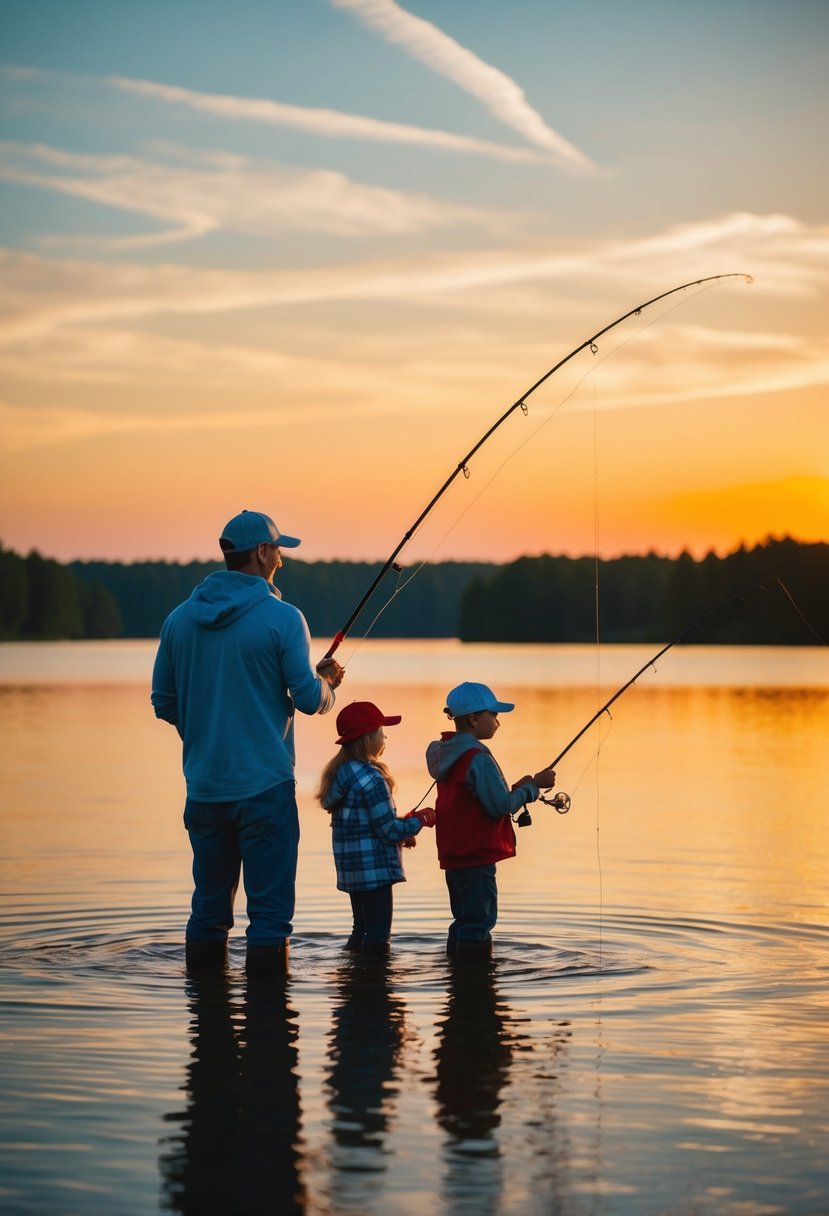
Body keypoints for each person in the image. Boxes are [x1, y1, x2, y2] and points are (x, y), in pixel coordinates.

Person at [151, 509, 344, 977]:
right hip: (265, 788)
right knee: (270, 918)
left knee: (208, 912)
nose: (280, 558)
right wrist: (328, 685)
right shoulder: (284, 618)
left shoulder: (178, 620)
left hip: (204, 788)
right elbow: (305, 697)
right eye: (278, 550)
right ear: (261, 553)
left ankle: (207, 1022)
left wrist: (205, 732)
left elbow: (163, 701)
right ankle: (269, 1032)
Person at [426, 681, 556, 962]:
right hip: (476, 857)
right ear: (474, 719)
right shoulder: (477, 758)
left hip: (456, 855)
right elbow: (499, 806)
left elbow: (479, 799)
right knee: (479, 922)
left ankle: (457, 980)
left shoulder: (449, 753)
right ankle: (476, 986)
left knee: (464, 920)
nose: (498, 722)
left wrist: (522, 787)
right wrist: (534, 788)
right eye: (493, 715)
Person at [317, 701, 436, 958]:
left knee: (361, 928)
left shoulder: (342, 774)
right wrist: (422, 820)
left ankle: (353, 981)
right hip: (374, 871)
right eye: (382, 731)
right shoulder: (372, 779)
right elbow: (389, 831)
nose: (385, 736)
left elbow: (369, 825)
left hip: (353, 870)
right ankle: (374, 988)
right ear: (368, 737)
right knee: (378, 933)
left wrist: (404, 830)